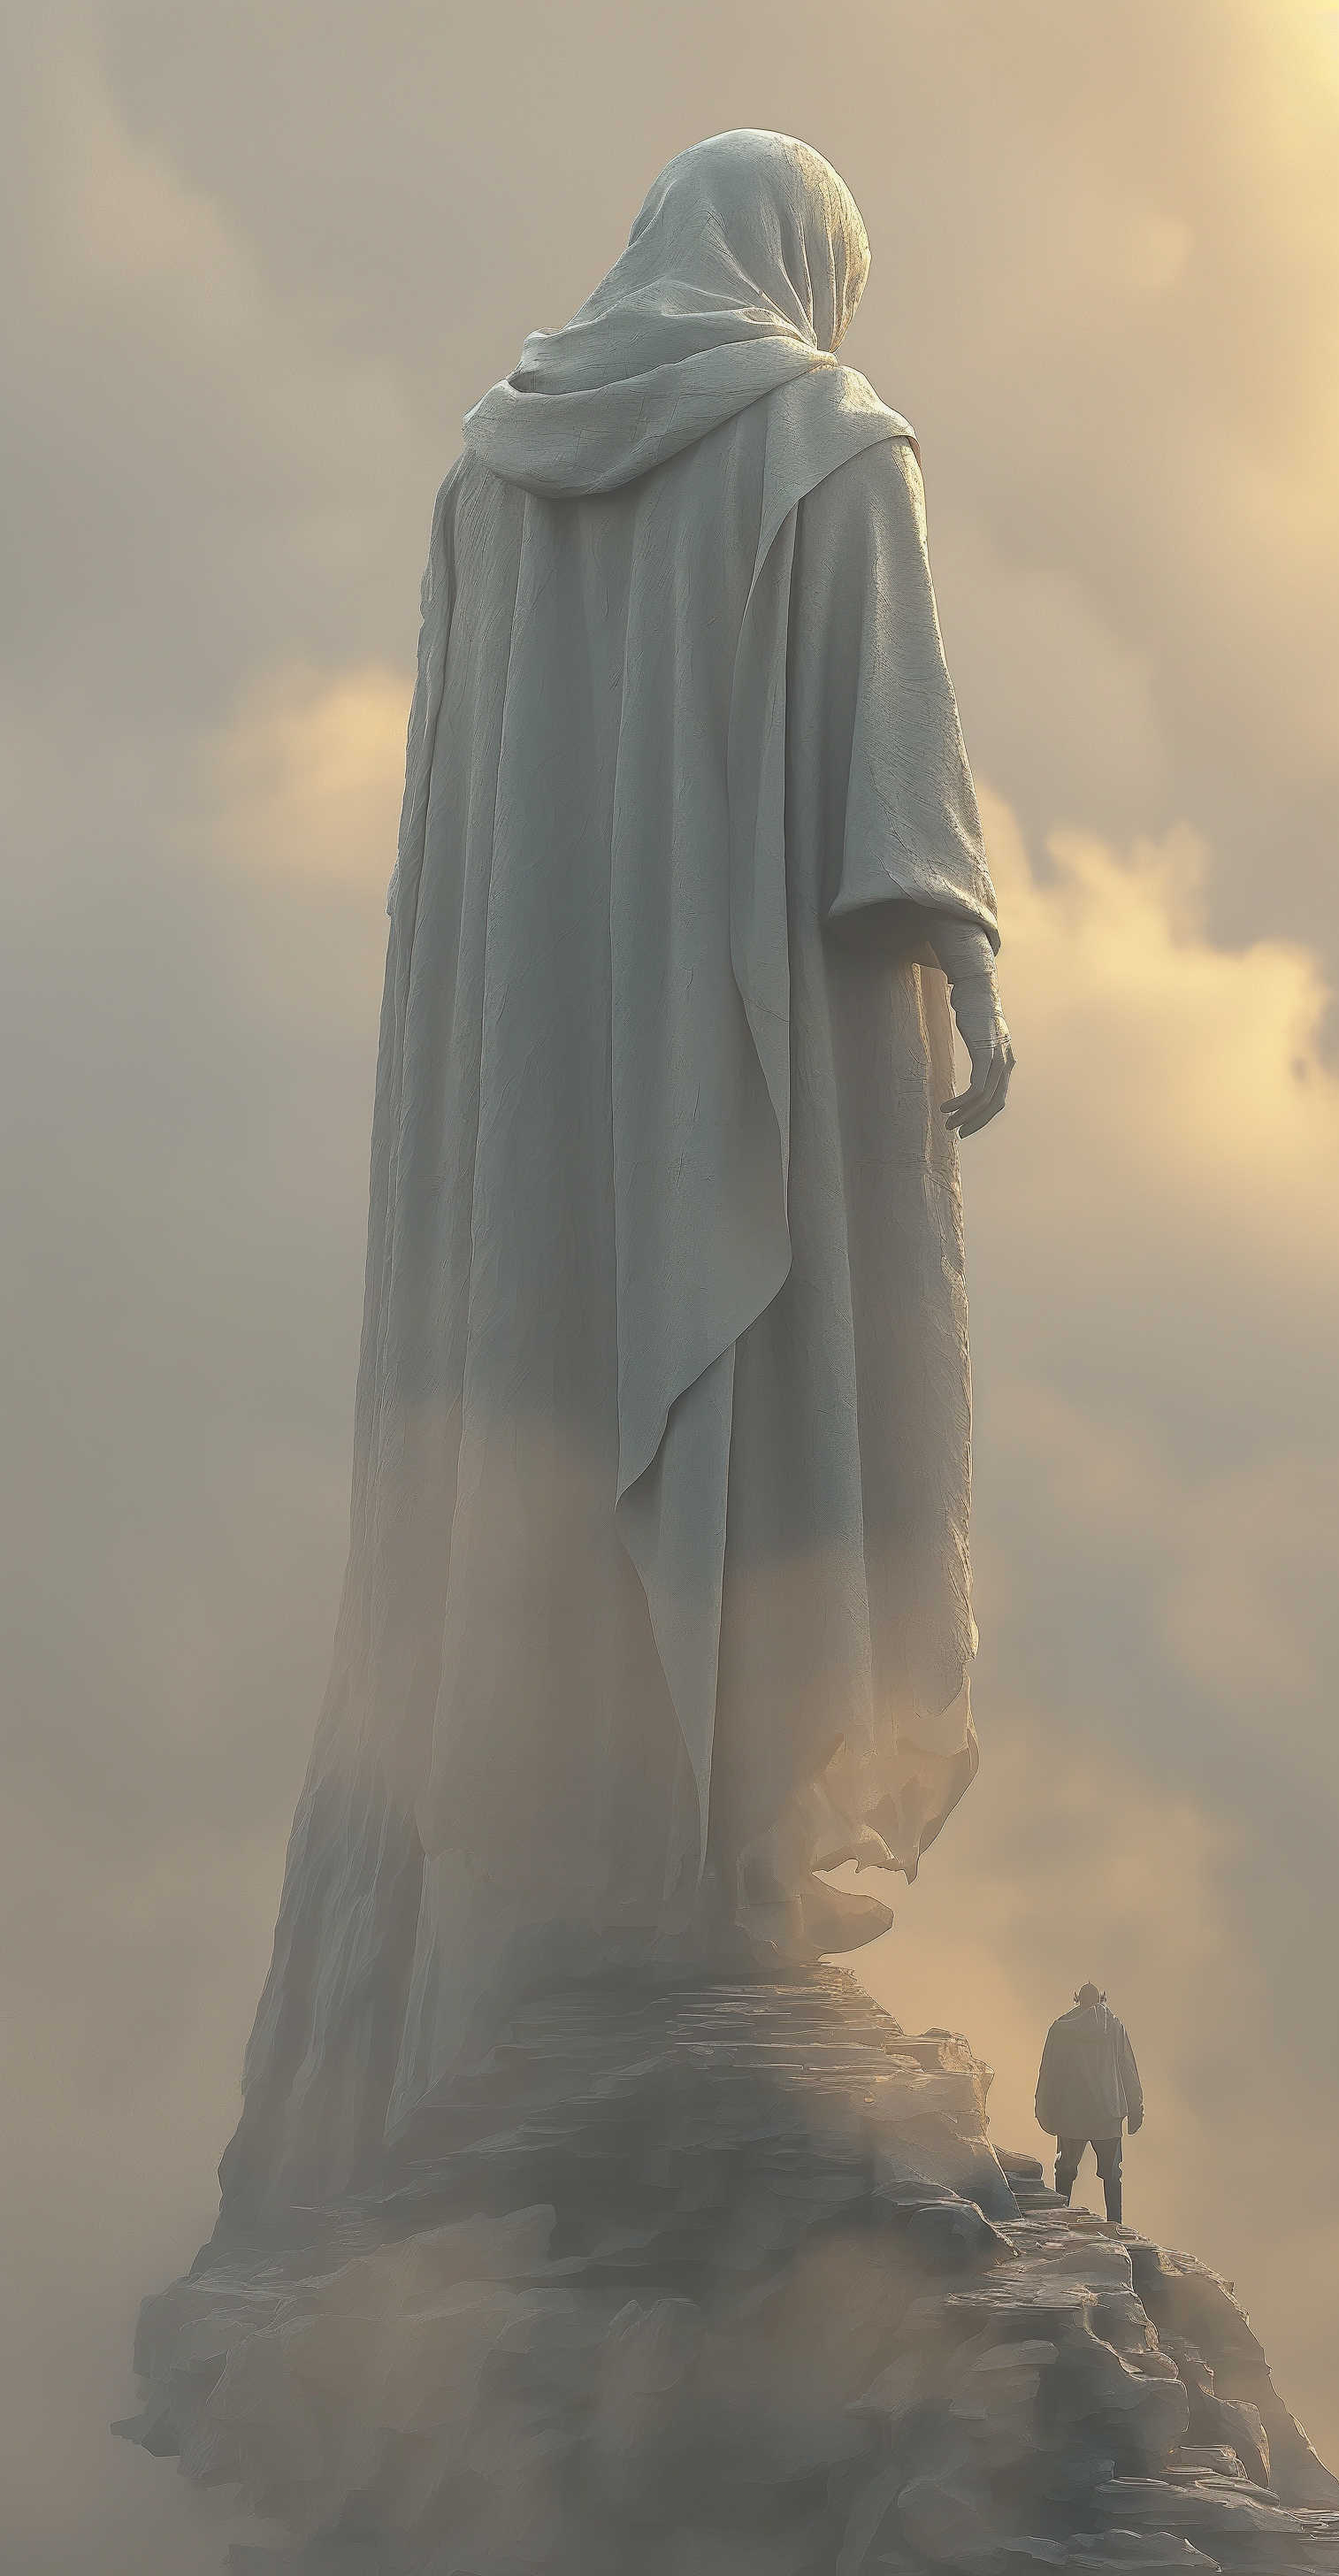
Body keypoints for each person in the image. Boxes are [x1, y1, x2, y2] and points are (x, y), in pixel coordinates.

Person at [217, 130, 1014, 2227]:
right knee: (777, 1396)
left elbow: (454, 841)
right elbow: (890, 771)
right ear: (805, 268)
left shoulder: (491, 475)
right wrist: (973, 978)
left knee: (550, 1407)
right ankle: (724, 1863)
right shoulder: (836, 445)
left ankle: (577, 1855)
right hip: (760, 1037)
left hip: (538, 1097)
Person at [1035, 1983, 1144, 2224]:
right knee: (1112, 2173)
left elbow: (1050, 2072)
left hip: (1072, 2110)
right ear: (1101, 2000)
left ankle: (1059, 2221)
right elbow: (1127, 2068)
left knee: (1065, 2169)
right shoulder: (1115, 2027)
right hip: (1108, 2110)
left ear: (1078, 1999)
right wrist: (1135, 2109)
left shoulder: (1061, 2028)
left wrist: (1044, 2108)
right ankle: (1115, 2223)